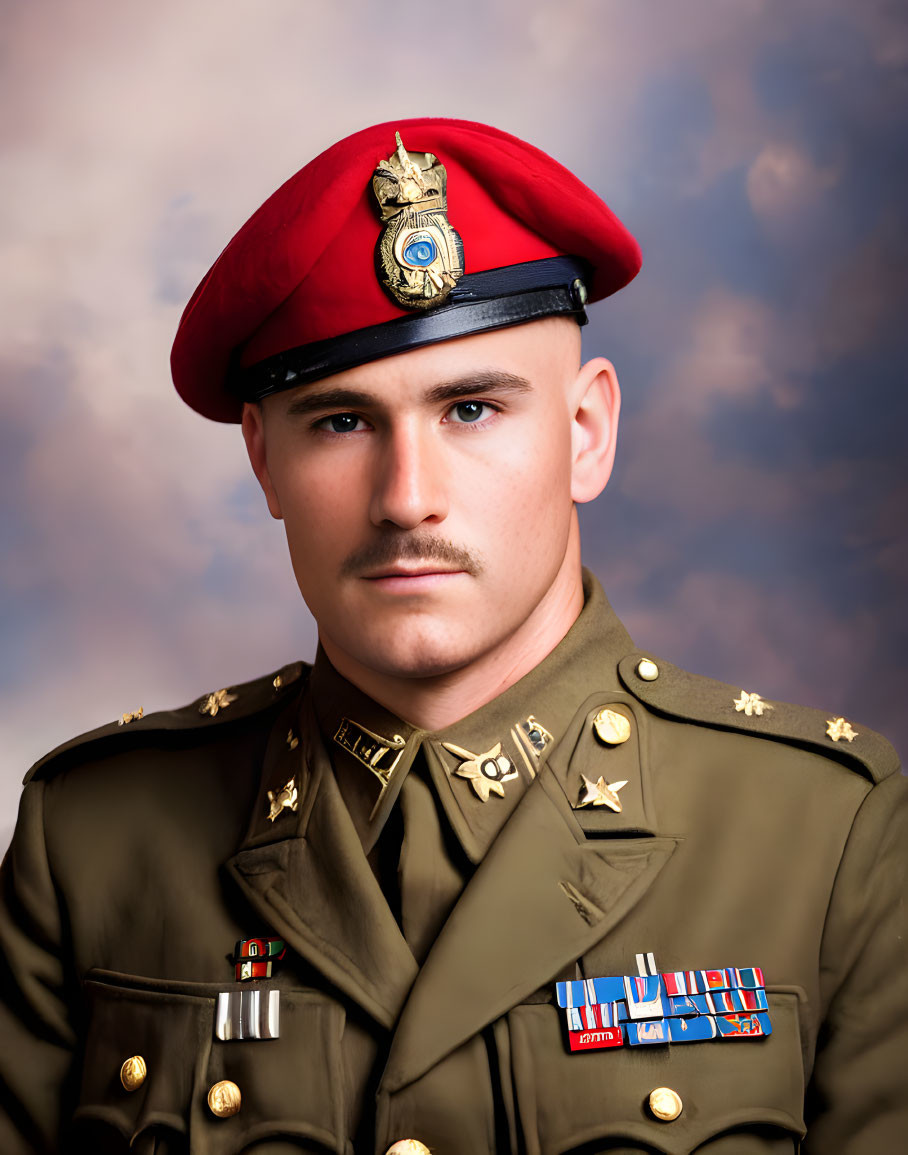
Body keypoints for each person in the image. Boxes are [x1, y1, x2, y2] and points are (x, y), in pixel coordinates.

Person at [0, 117, 905, 1155]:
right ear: (262, 464)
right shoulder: (95, 840)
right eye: (341, 422)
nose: (405, 499)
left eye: (470, 410)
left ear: (584, 434)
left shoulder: (821, 836)